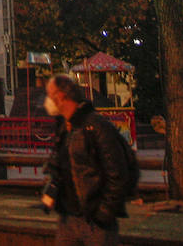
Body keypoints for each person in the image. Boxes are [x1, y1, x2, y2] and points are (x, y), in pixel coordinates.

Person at [43, 74, 130, 246]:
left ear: (61, 96)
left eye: (50, 94)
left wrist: (104, 212)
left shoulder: (96, 127)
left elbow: (117, 172)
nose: (48, 100)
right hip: (69, 217)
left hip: (94, 220)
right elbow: (64, 166)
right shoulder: (64, 127)